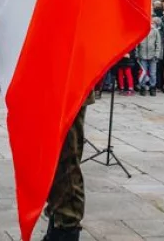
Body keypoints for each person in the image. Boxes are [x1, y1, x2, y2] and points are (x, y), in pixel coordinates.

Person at [42, 89, 97, 241]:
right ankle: (57, 223)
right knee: (53, 162)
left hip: (69, 88)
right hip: (54, 88)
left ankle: (66, 227)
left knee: (66, 162)